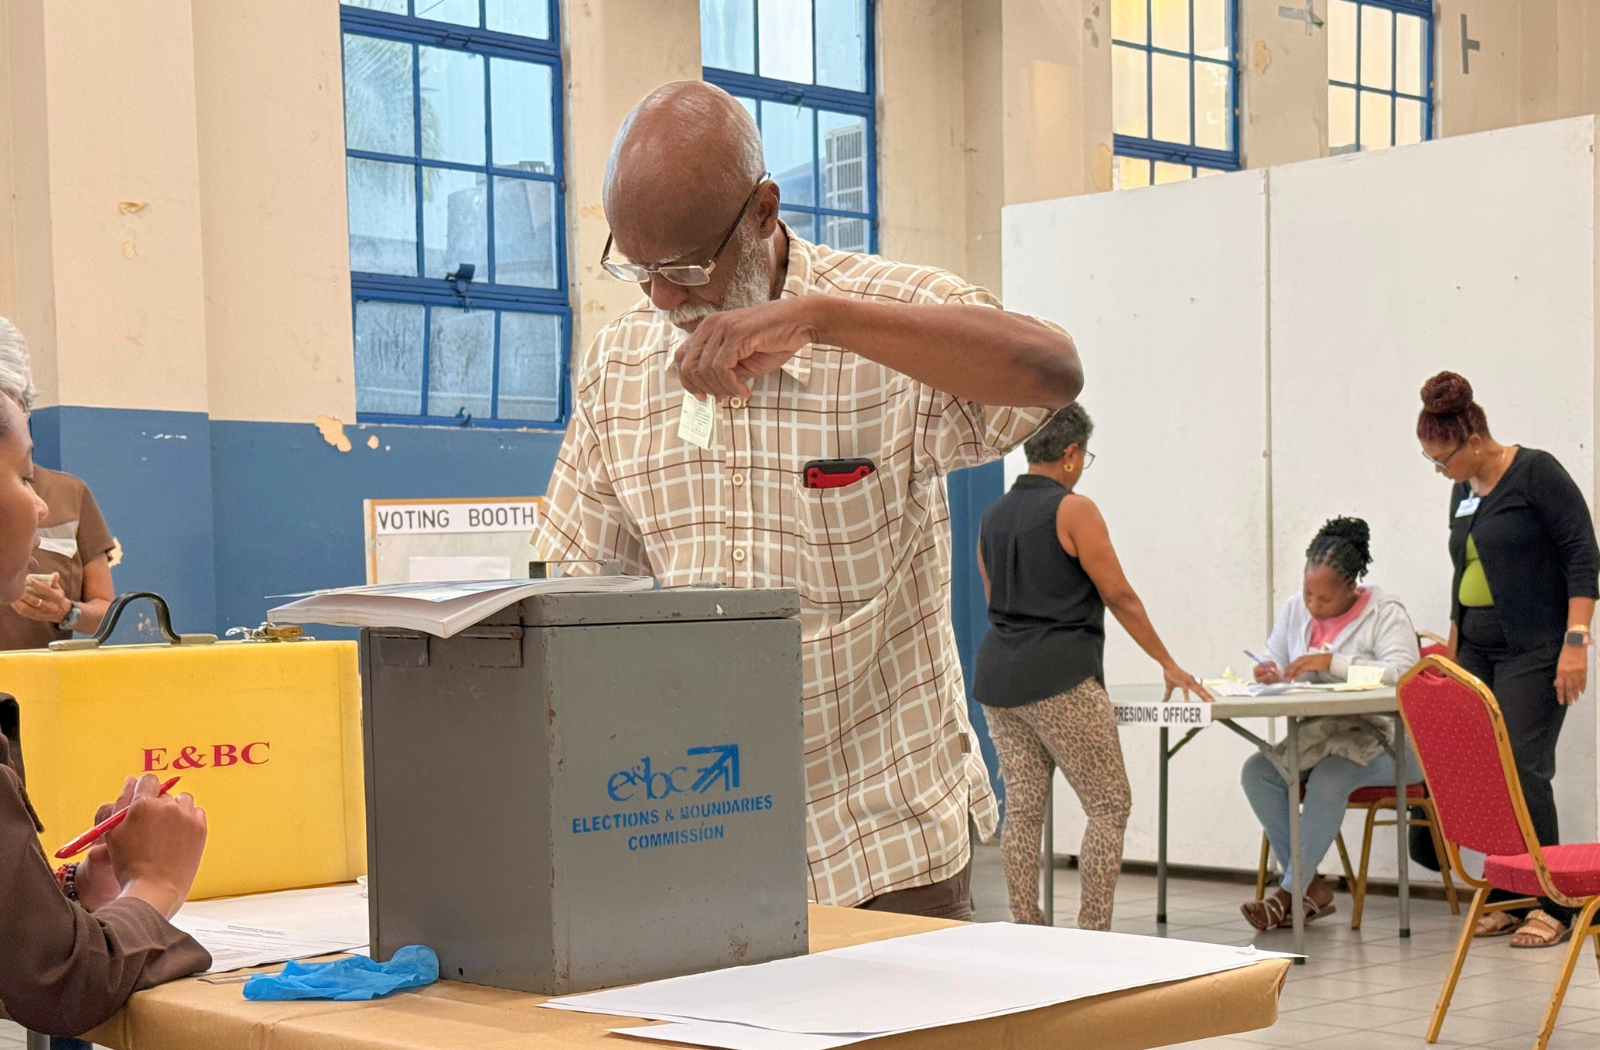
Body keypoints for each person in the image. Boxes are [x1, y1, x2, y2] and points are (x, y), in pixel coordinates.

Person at [533, 82, 1081, 920]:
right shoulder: (619, 370)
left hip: (882, 849)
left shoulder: (880, 325)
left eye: (685, 269)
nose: (664, 302)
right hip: (695, 847)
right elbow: (577, 601)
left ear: (762, 213)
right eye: (640, 271)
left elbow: (1052, 373)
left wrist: (823, 321)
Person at [0, 328, 211, 1037]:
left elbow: (102, 607)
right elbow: (59, 983)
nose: (36, 505)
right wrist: (156, 883)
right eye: (20, 477)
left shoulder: (77, 496)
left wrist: (67, 897)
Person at [973, 404, 1206, 930]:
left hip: (998, 678)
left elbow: (996, 599)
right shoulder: (1074, 510)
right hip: (1059, 677)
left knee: (1025, 807)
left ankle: (1026, 925)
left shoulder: (992, 515)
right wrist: (1167, 662)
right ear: (1072, 454)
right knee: (1108, 804)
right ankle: (1093, 932)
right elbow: (1118, 594)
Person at [1417, 371, 1599, 949]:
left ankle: (1555, 903)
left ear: (1473, 442)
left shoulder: (1535, 473)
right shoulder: (1463, 487)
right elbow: (1462, 571)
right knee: (1483, 771)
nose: (1440, 470)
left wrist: (1576, 641)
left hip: (1534, 645)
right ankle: (1508, 895)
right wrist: (1450, 647)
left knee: (1523, 764)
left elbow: (1581, 556)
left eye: (1442, 458)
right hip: (1475, 646)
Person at [1239, 517, 1421, 931]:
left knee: (1329, 778)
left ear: (1352, 588)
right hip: (1325, 736)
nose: (1313, 606)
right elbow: (1278, 659)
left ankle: (1287, 894)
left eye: (1324, 599)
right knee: (1259, 772)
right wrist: (1270, 670)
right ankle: (1311, 888)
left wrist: (1331, 663)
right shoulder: (1293, 610)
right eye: (1308, 593)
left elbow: (1404, 676)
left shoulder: (1384, 612)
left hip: (1392, 746)